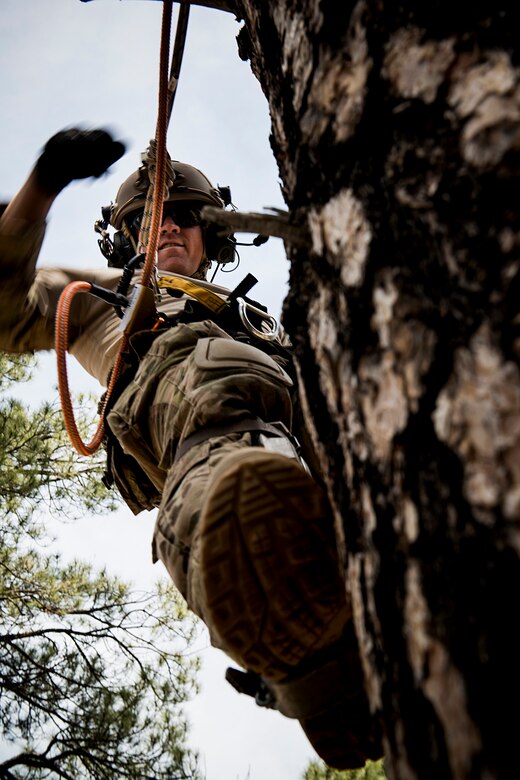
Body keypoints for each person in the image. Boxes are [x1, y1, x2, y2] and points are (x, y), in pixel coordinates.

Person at [0, 128, 382, 769]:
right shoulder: (103, 302)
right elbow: (5, 309)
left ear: (211, 235)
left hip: (310, 478)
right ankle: (300, 651)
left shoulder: (267, 326)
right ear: (128, 237)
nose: (168, 227)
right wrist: (44, 183)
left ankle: (334, 663)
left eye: (184, 217)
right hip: (204, 466)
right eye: (150, 218)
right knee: (249, 505)